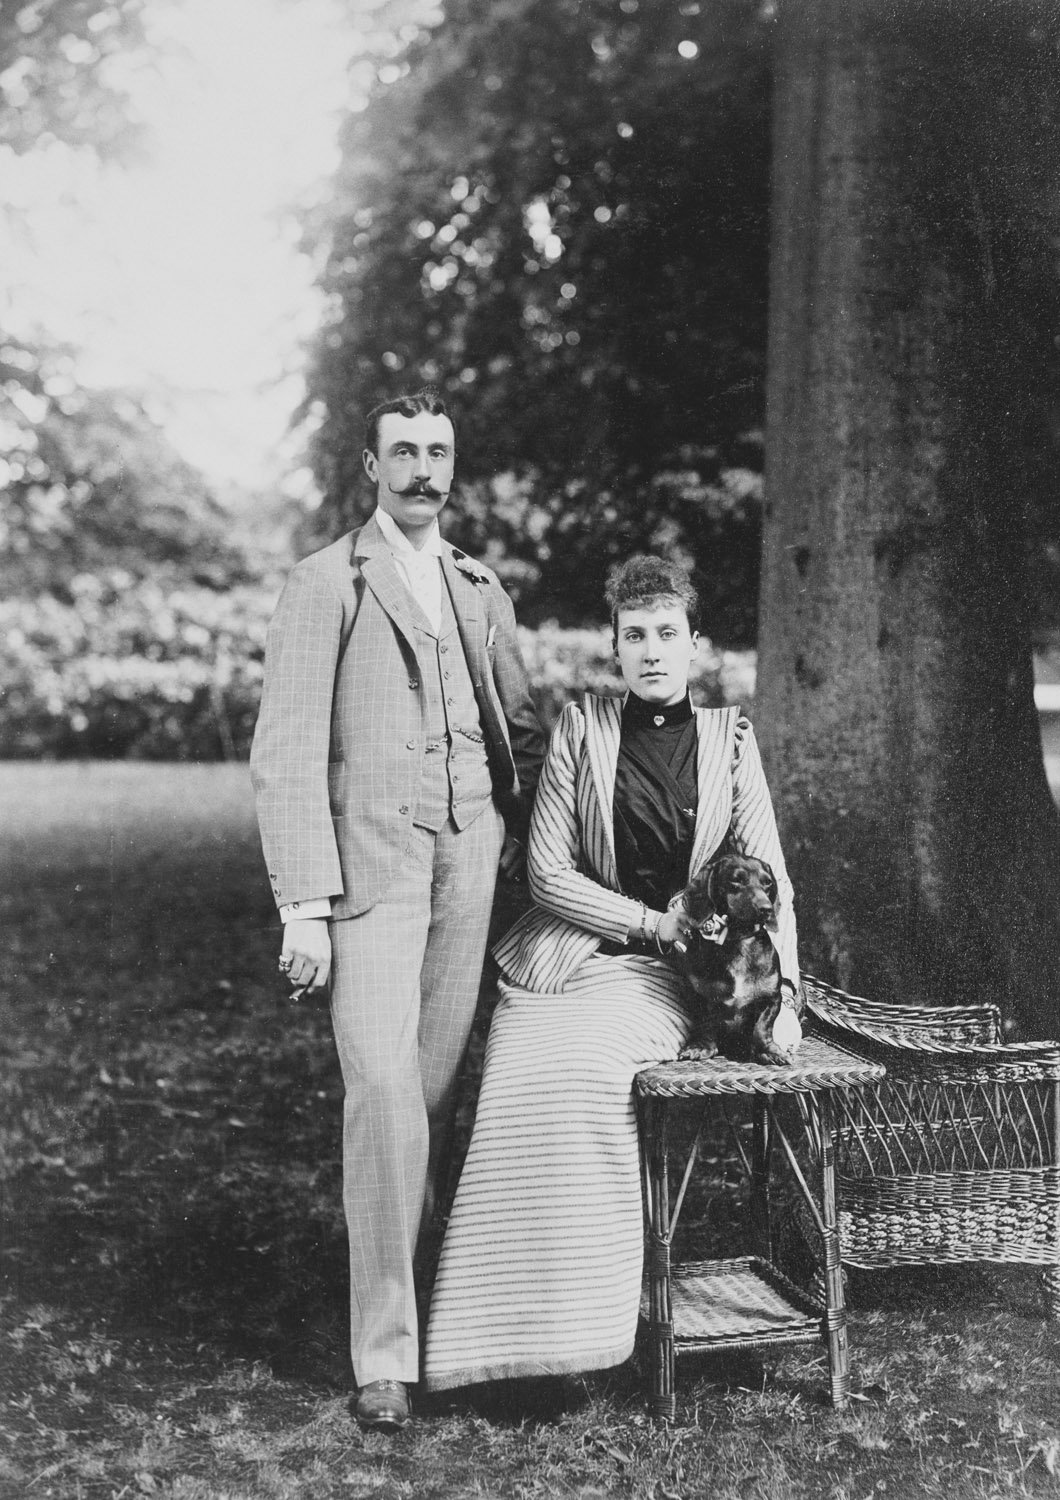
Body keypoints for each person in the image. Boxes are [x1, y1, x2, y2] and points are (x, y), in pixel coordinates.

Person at [423, 554, 800, 1393]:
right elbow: (547, 874)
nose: (652, 651)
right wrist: (646, 919)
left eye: (668, 633)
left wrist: (785, 1007)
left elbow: (771, 875)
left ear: (695, 643)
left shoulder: (730, 742)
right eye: (635, 636)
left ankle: (580, 1338)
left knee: (584, 1073)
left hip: (670, 978)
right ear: (617, 647)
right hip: (562, 957)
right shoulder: (580, 730)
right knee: (515, 1072)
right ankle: (486, 1344)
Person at [250, 387, 545, 1432]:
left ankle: (438, 1323)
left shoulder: (478, 586)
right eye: (405, 452)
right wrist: (303, 905)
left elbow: (521, 728)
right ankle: (383, 1355)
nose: (424, 470)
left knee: (430, 1095)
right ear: (372, 468)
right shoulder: (325, 582)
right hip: (369, 870)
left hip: (469, 862)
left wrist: (530, 849)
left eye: (439, 452)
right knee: (380, 1090)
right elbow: (286, 749)